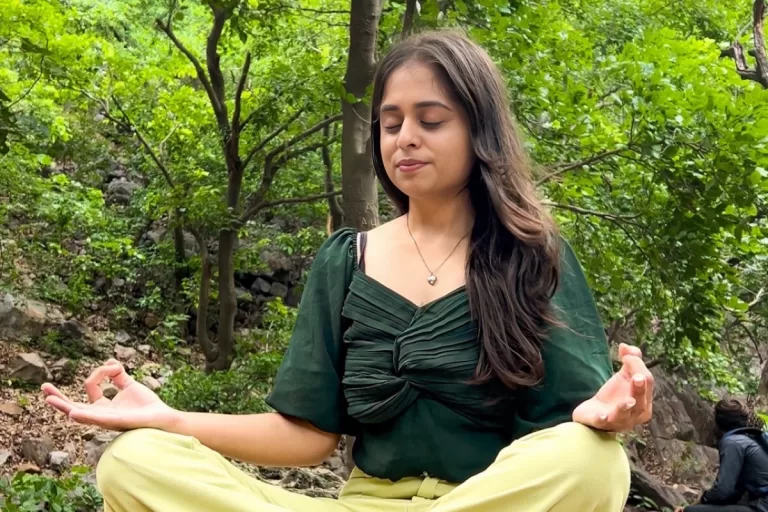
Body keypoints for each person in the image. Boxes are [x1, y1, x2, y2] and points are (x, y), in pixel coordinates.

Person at [41, 30, 655, 512]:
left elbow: (570, 430)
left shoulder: (534, 256)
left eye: (430, 120)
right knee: (135, 460)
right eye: (391, 124)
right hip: (362, 503)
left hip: (489, 500)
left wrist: (605, 416)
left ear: (480, 129)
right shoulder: (347, 259)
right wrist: (170, 419)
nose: (405, 138)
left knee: (593, 461)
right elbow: (307, 436)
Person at [676, 399, 768, 512]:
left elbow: (722, 491)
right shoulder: (750, 439)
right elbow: (733, 492)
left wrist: (701, 501)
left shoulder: (732, 442)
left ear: (718, 421)